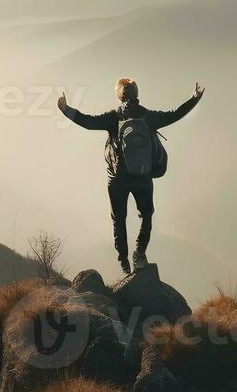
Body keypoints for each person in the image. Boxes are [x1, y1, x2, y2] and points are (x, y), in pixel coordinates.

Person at [57, 78, 204, 275]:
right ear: (136, 94)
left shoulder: (113, 117)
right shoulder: (148, 116)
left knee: (119, 218)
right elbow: (175, 114)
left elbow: (88, 122)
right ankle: (140, 253)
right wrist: (194, 98)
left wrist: (66, 109)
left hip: (117, 177)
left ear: (120, 96)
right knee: (146, 214)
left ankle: (123, 261)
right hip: (142, 175)